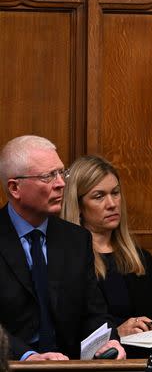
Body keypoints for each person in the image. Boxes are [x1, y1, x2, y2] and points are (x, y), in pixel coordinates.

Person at [0, 135, 125, 361]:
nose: (61, 183)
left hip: (70, 365)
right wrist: (27, 356)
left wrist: (109, 340)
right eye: (48, 176)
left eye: (61, 172)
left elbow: (94, 312)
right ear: (15, 188)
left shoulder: (76, 239)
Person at [61, 154, 152, 351]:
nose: (112, 204)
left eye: (115, 193)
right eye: (99, 196)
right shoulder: (67, 260)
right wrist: (116, 332)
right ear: (78, 206)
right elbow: (66, 334)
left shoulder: (139, 257)